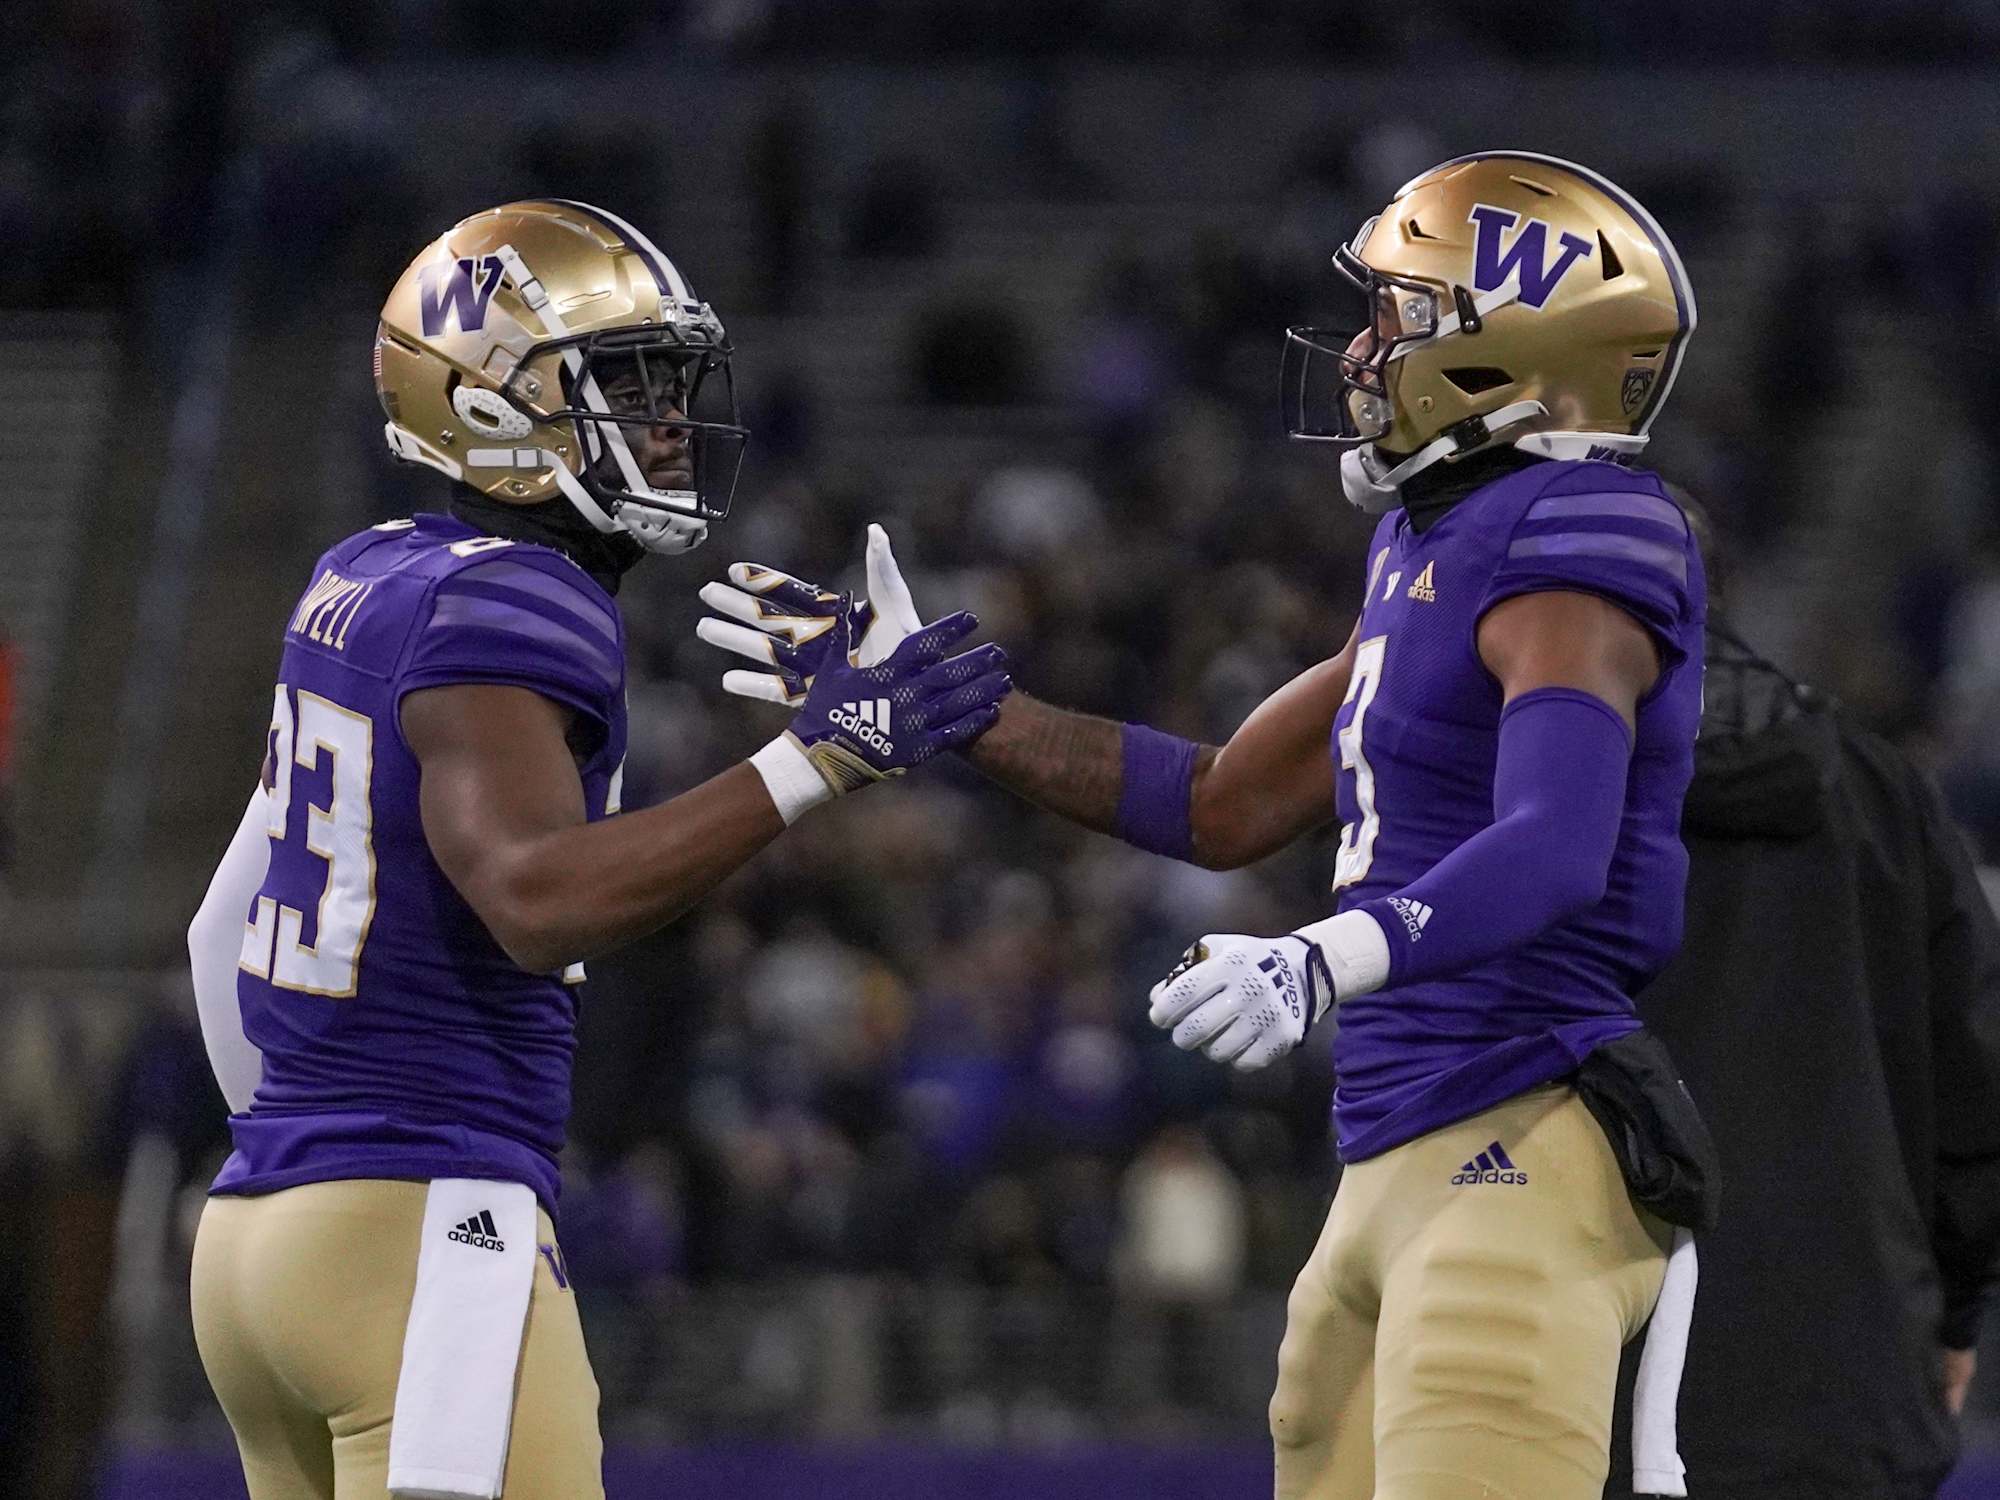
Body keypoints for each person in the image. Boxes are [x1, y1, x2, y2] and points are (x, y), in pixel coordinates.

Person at [700, 152, 1717, 1499]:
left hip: (1523, 1136)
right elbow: (1222, 799)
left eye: (1397, 317)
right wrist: (952, 710)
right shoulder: (1438, 544)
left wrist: (1319, 959)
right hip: (1398, 1150)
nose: (1360, 352)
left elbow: (1554, 844)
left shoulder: (1577, 530)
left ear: (1507, 350)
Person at [182, 199, 1011, 1500]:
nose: (669, 422)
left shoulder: (364, 573)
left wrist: (298, 1161)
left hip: (258, 1242)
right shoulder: (520, 596)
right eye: (622, 386)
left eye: (669, 385)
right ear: (489, 403)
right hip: (425, 1226)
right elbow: (533, 900)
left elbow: (216, 929)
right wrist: (824, 754)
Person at [1602, 544, 2000, 1500]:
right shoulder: (1885, 789)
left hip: (1592, 1384)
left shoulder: (1526, 788)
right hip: (1848, 1388)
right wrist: (1954, 1317)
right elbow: (1976, 1085)